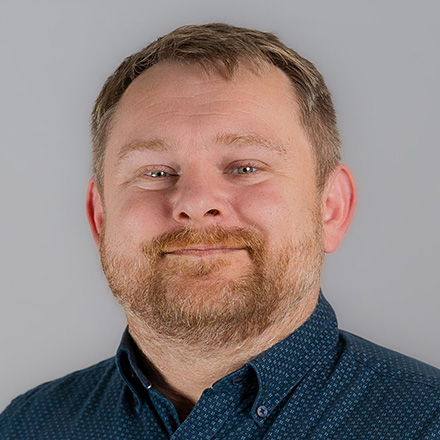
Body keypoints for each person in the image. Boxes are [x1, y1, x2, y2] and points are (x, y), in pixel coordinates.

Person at [1, 23, 439, 439]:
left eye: (245, 167)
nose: (195, 201)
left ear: (331, 208)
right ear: (101, 217)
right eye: (155, 172)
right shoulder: (26, 428)